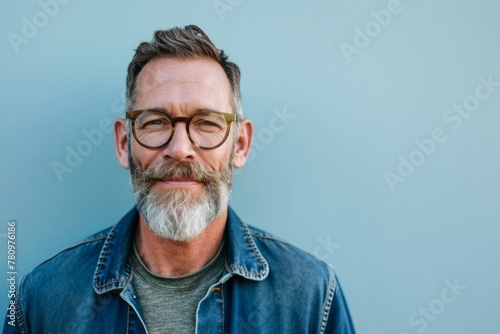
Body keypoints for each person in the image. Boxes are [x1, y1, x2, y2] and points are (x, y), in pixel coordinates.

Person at [3, 25, 355, 333]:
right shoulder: (44, 298)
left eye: (207, 123)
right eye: (156, 122)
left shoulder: (311, 296)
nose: (180, 149)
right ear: (125, 144)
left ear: (240, 145)